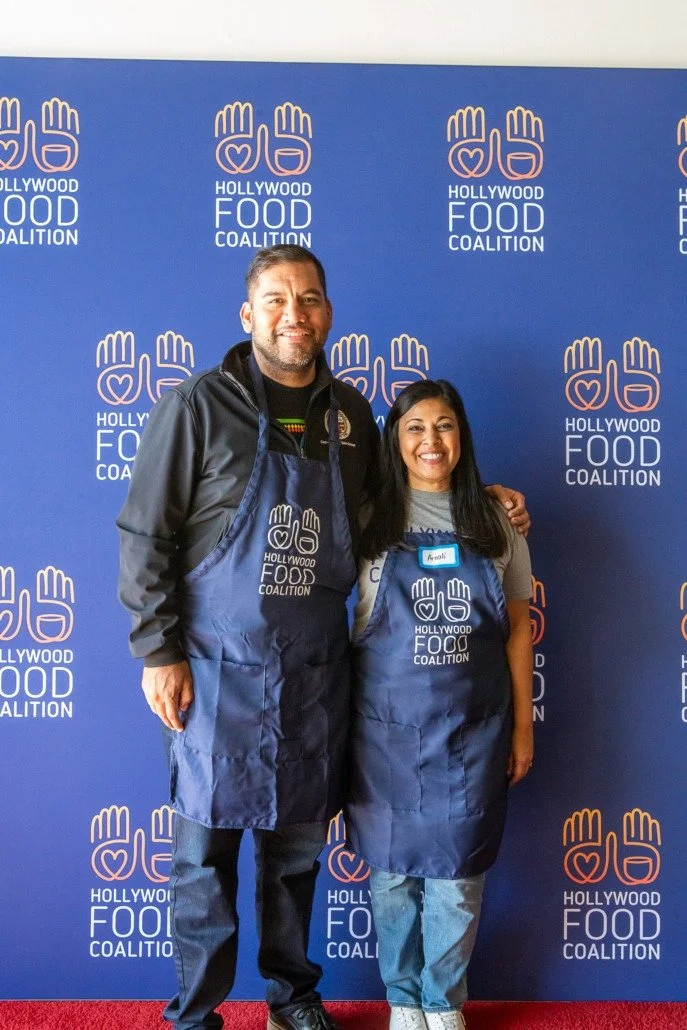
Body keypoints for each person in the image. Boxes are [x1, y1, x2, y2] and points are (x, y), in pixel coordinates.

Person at [117, 245, 530, 1030]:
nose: (292, 315)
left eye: (308, 299)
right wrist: (158, 651)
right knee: (204, 860)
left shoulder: (348, 418)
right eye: (275, 300)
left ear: (327, 314)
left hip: (314, 673)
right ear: (248, 315)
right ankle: (195, 1013)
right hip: (214, 671)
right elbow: (146, 534)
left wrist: (488, 497)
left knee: (294, 857)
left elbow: (410, 491)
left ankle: (292, 999)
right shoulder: (200, 406)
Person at [345, 379, 534, 1030]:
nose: (431, 440)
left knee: (457, 879)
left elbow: (516, 630)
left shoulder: (495, 523)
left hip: (472, 731)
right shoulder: (366, 520)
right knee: (393, 875)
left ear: (462, 438)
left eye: (444, 425)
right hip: (383, 733)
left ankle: (443, 1003)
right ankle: (403, 1002)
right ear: (393, 441)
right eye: (415, 427)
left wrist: (521, 729)